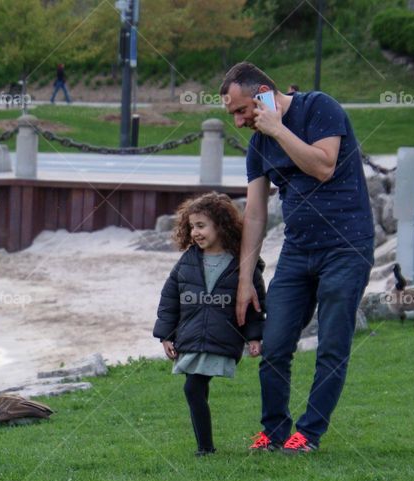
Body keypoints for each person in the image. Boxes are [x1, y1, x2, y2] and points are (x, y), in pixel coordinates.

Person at [220, 62, 375, 454]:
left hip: (346, 247)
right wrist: (244, 280)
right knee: (274, 345)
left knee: (332, 344)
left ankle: (307, 434)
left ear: (263, 95)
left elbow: (323, 166)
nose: (238, 122)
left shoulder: (319, 108)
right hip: (297, 250)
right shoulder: (258, 145)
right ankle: (273, 432)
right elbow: (255, 213)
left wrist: (277, 128)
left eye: (241, 111)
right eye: (232, 114)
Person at [154, 192, 266, 456]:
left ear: (220, 225)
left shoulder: (243, 265)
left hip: (222, 337)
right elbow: (170, 300)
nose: (195, 232)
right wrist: (165, 335)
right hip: (191, 336)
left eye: (201, 226)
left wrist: (253, 337)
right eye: (192, 226)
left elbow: (255, 304)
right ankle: (205, 447)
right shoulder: (187, 261)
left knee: (194, 387)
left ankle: (206, 448)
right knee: (194, 388)